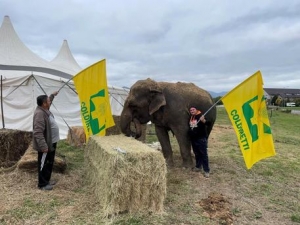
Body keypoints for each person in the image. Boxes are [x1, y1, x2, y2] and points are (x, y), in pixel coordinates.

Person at [33, 91, 59, 190]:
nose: (50, 102)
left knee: (49, 162)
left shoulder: (44, 109)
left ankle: (46, 180)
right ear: (44, 104)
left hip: (51, 142)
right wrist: (43, 146)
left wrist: (52, 95)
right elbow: (38, 132)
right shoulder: (39, 114)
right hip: (46, 144)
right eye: (48, 101)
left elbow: (49, 100)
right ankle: (42, 184)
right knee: (43, 163)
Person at [188, 107, 211, 178]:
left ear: (196, 110)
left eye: (193, 109)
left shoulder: (201, 116)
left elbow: (209, 123)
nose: (192, 111)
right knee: (197, 154)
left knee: (203, 154)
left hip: (201, 139)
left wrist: (204, 121)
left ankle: (206, 171)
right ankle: (198, 167)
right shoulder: (191, 117)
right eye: (190, 110)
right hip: (194, 139)